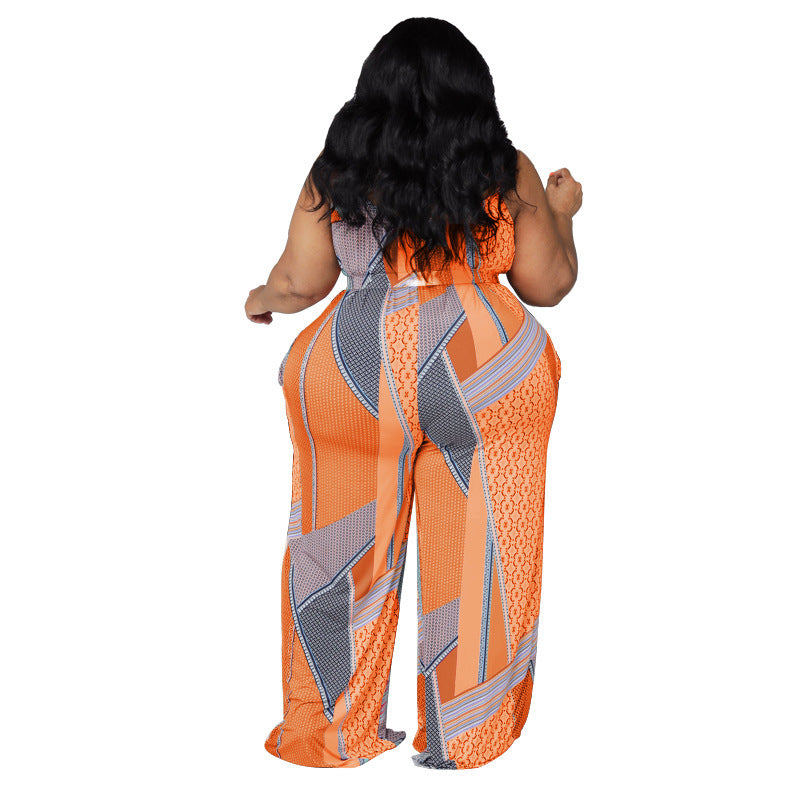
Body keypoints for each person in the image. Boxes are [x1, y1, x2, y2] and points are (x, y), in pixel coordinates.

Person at [245, 17, 581, 770]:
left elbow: (299, 281)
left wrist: (261, 297)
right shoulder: (506, 167)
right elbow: (547, 283)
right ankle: (468, 736)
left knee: (334, 550)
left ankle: (329, 733)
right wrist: (560, 214)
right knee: (486, 551)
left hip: (357, 371)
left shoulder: (338, 167)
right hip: (485, 373)